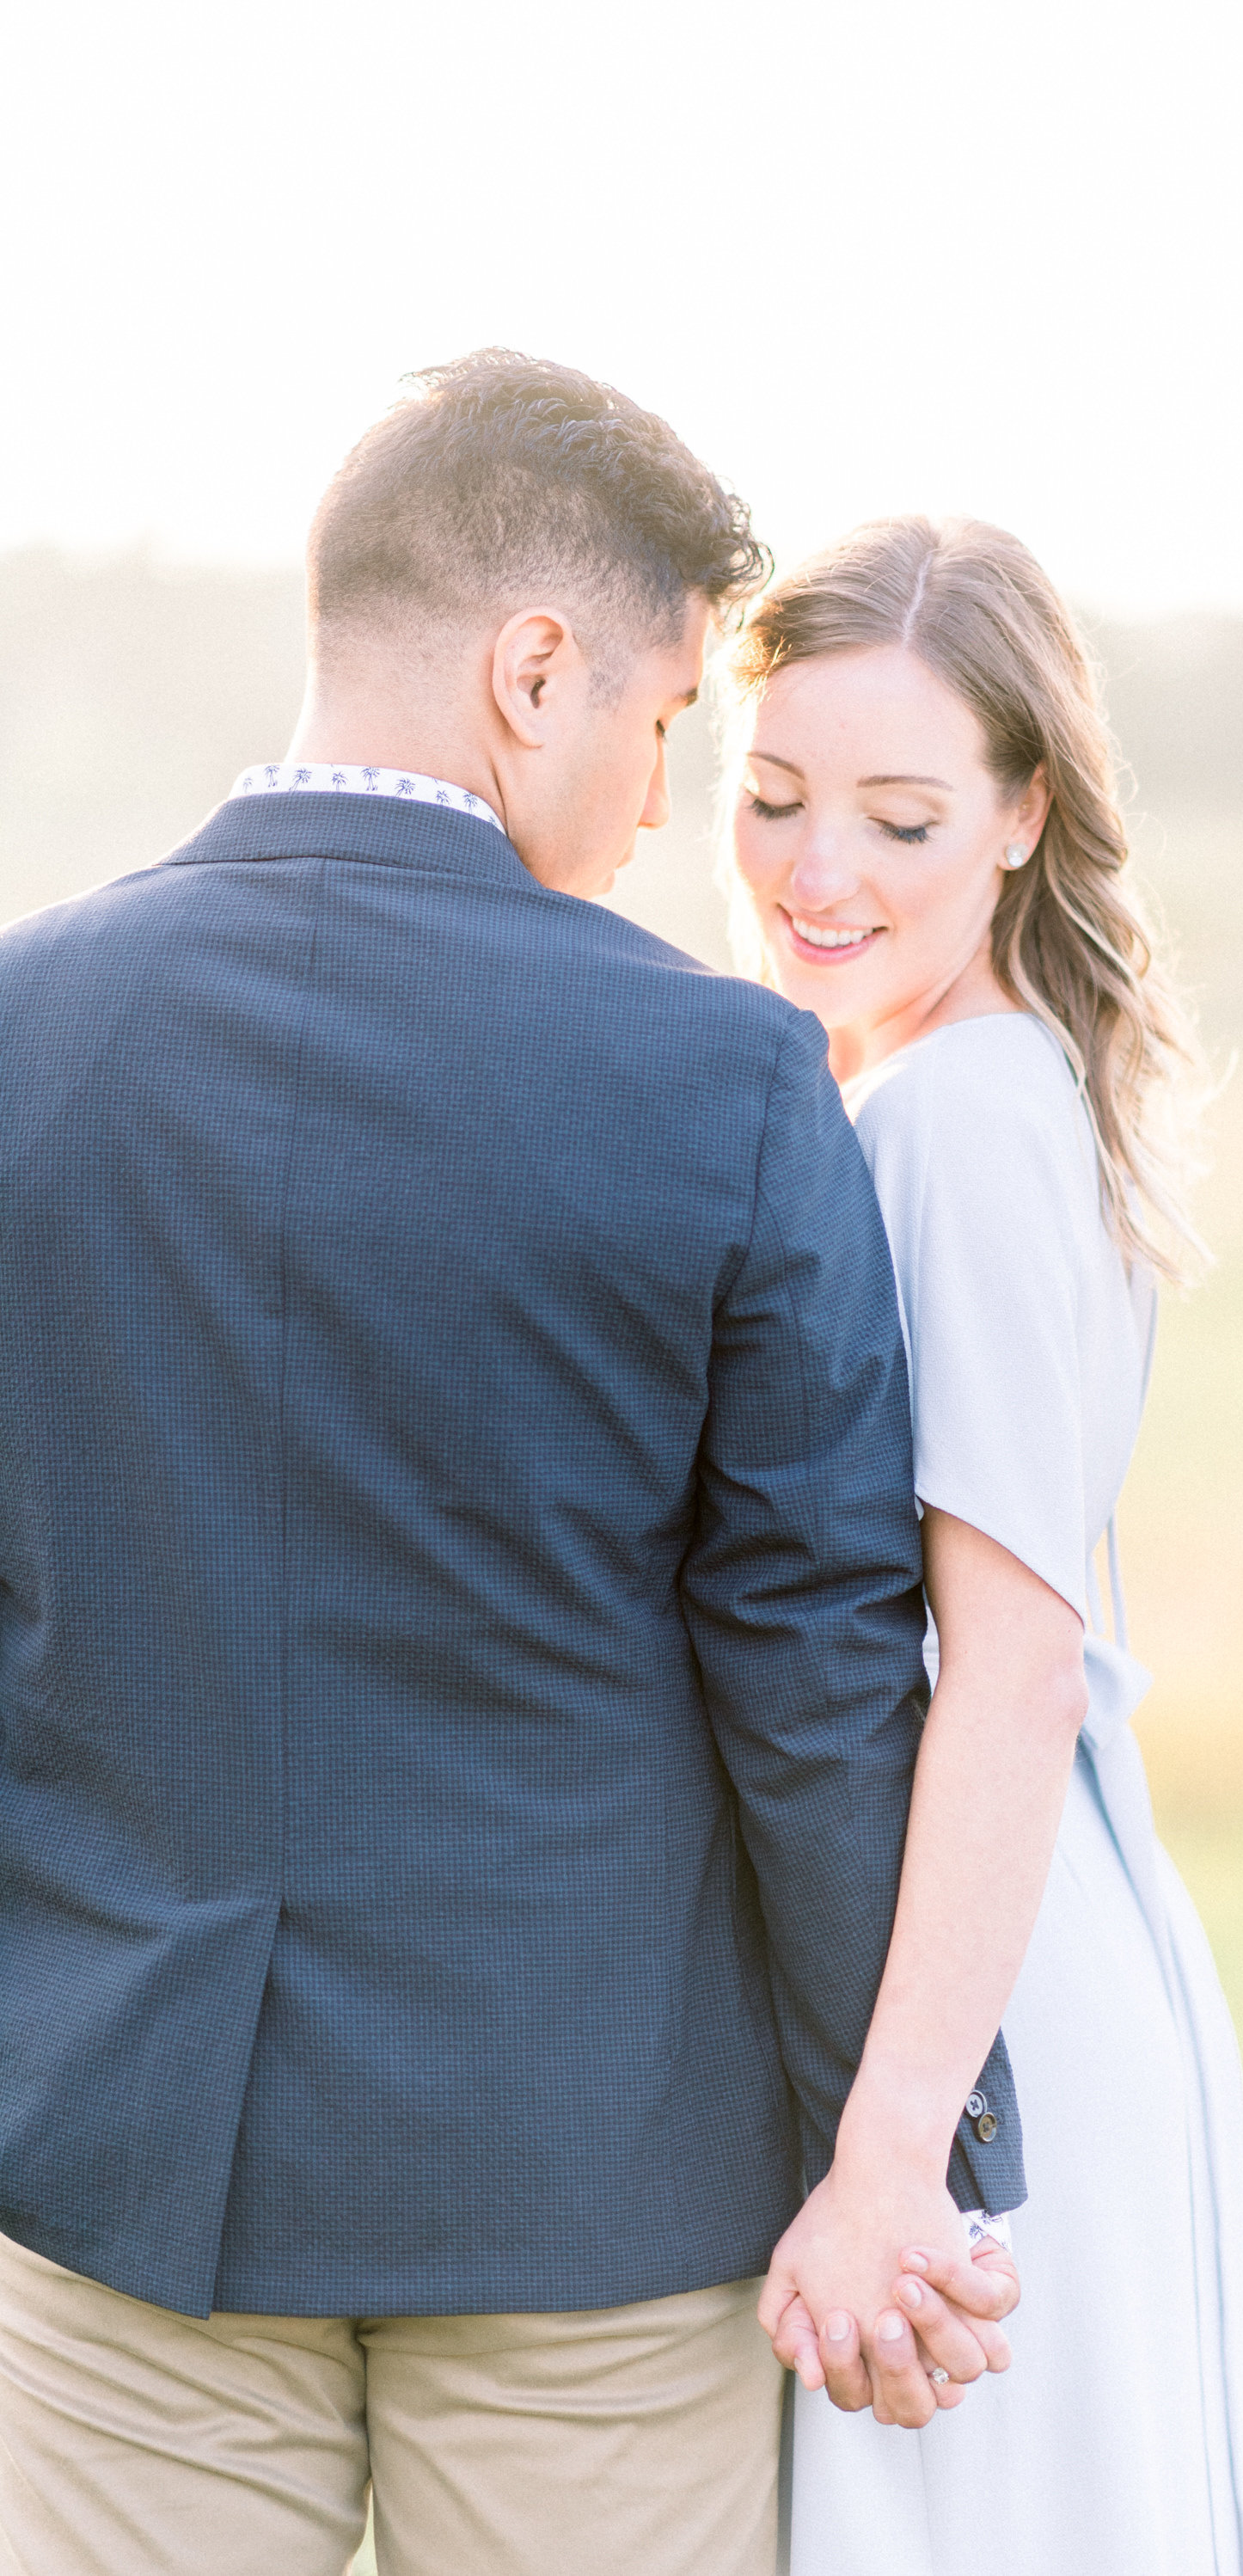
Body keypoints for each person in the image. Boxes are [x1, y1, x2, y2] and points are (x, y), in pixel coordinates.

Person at [0, 357, 1015, 2576]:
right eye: (660, 725)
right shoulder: (724, 1078)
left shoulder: (19, 1027)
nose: (659, 808)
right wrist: (903, 2147)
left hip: (115, 2168)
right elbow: (817, 1670)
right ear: (529, 668)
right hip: (592, 2201)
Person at [728, 517, 1243, 2573]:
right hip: (1021, 1951)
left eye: (898, 815)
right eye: (774, 797)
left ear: (1020, 813)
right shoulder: (982, 1085)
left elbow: (1008, 1659)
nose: (821, 873)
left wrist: (899, 2144)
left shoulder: (959, 1122)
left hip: (980, 2017)